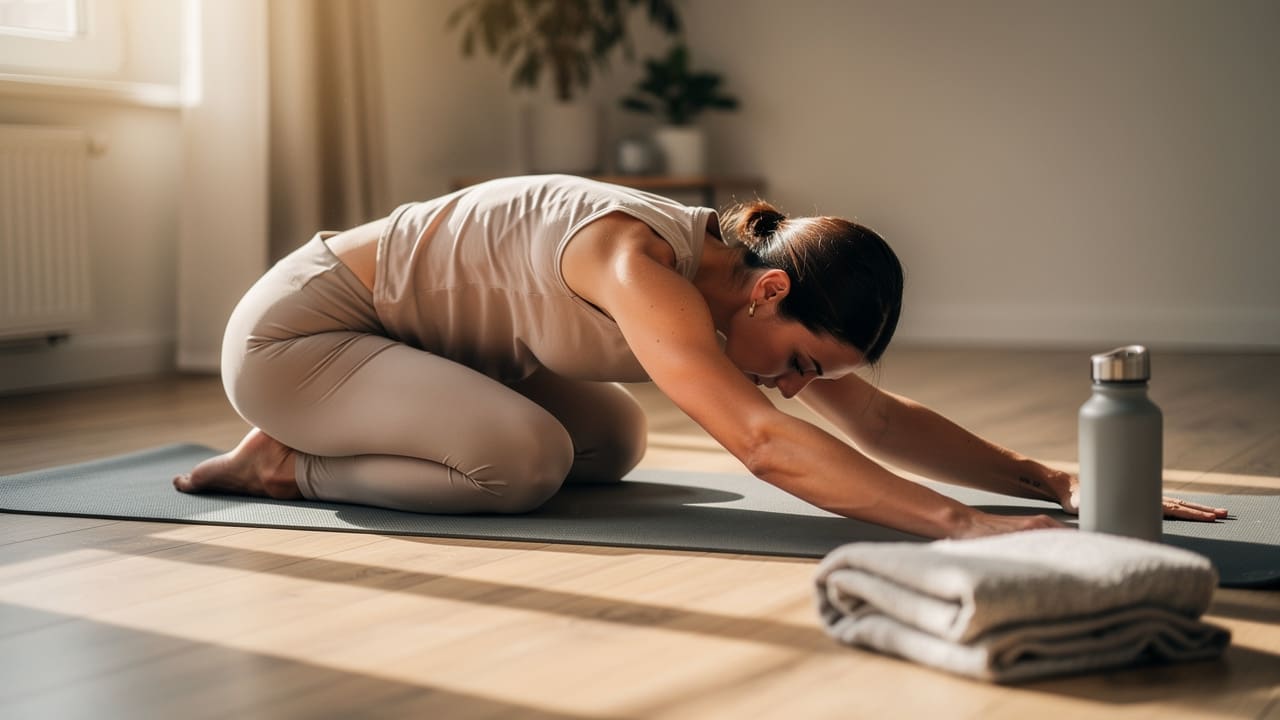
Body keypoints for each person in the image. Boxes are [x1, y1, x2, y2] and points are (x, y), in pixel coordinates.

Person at [174, 174, 1227, 538]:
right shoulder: (641, 264)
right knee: (522, 462)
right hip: (302, 338)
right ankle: (285, 461)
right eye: (805, 358)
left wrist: (1048, 483)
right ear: (770, 289)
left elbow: (874, 418)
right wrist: (960, 530)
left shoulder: (740, 282)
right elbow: (763, 445)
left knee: (610, 439)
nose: (801, 383)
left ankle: (333, 434)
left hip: (410, 344)